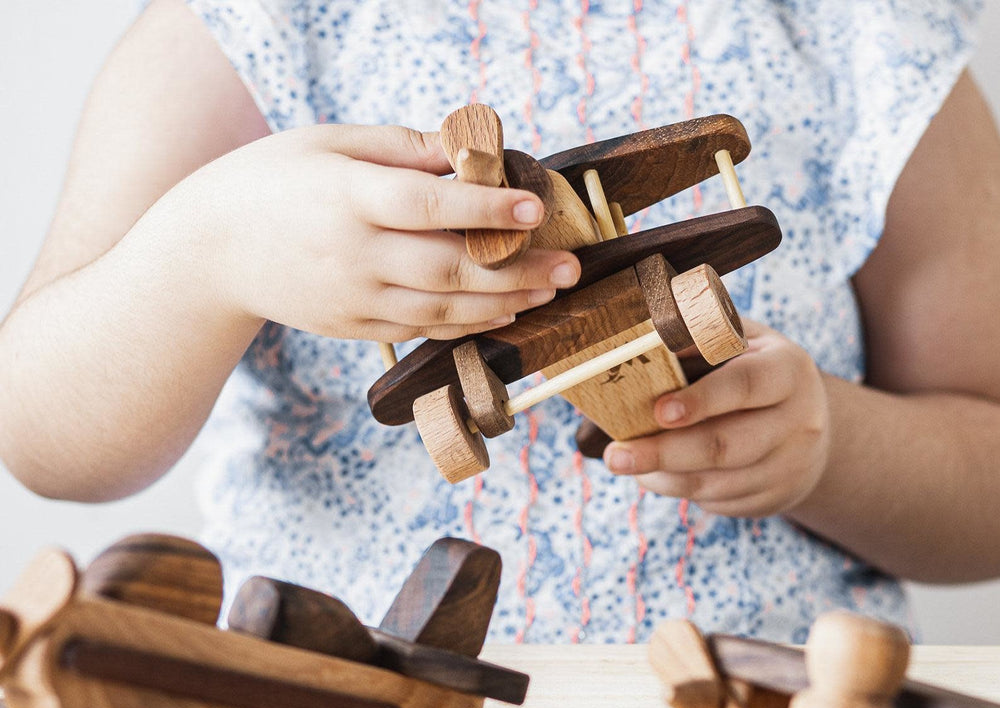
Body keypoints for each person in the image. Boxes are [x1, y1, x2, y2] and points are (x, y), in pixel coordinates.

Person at [1, 0, 996, 644]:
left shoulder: (864, 33)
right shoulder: (246, 29)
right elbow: (43, 435)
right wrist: (205, 249)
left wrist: (833, 448)